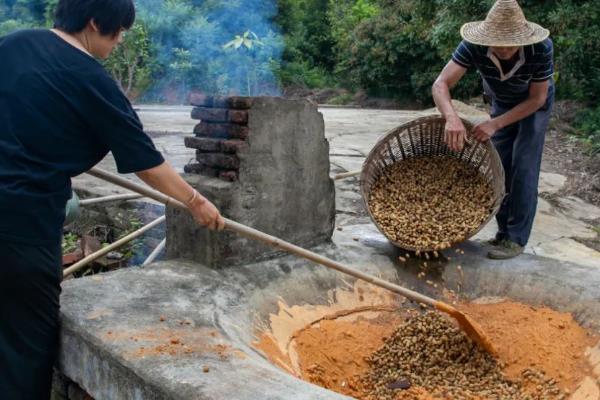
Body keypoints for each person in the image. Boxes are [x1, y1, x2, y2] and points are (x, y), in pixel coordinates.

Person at [0, 0, 225, 398]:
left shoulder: (14, 44)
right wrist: (196, 201)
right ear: (93, 22)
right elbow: (148, 164)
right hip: (22, 226)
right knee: (25, 347)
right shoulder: (92, 80)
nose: (120, 40)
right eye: (118, 30)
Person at [432, 0, 554, 260]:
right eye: (497, 42)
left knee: (524, 164)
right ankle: (502, 233)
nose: (503, 49)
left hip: (533, 104)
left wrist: (495, 124)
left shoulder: (541, 48)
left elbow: (537, 99)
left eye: (510, 43)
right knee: (499, 164)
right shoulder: (473, 46)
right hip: (501, 99)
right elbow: (441, 83)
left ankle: (515, 239)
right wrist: (451, 118)